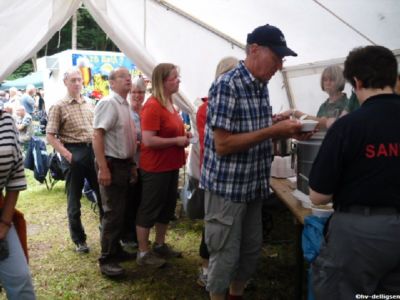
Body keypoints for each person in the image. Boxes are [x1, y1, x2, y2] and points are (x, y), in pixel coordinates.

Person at [200, 24, 311, 300]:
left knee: (249, 251)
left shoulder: (260, 85)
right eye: (276, 58)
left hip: (253, 185)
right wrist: (273, 132)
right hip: (227, 189)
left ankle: (236, 294)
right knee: (224, 253)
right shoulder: (227, 85)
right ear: (254, 50)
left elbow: (249, 126)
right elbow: (223, 144)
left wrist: (279, 122)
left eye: (282, 60)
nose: (279, 65)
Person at [309, 45, 400, 298]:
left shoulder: (347, 127)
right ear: (394, 78)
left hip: (358, 237)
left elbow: (318, 195)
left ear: (356, 82)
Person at [135, 63, 190, 268]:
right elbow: (148, 141)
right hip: (155, 167)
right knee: (149, 208)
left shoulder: (170, 103)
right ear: (162, 82)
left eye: (178, 77)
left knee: (166, 207)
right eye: (174, 78)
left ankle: (159, 244)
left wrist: (184, 136)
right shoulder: (153, 106)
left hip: (170, 165)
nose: (178, 80)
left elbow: (171, 132)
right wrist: (176, 141)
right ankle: (143, 251)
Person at [46, 67, 102, 254]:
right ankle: (79, 240)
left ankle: (107, 233)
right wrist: (67, 154)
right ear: (65, 82)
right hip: (73, 152)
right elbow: (50, 135)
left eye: (79, 79)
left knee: (103, 194)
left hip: (92, 151)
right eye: (73, 80)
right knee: (74, 200)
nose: (77, 83)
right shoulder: (59, 106)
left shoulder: (89, 103)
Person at [195, 56, 239, 288]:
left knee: (225, 227)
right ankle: (205, 268)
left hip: (228, 177)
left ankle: (225, 274)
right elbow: (214, 142)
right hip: (214, 174)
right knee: (212, 225)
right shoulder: (207, 107)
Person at [93, 67, 137, 277]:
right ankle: (106, 259)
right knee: (112, 212)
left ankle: (115, 250)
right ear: (111, 83)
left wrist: (132, 165)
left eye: (128, 76)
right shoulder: (109, 103)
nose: (128, 79)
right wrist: (103, 167)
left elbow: (126, 139)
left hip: (123, 164)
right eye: (122, 77)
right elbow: (97, 135)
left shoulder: (124, 104)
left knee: (119, 211)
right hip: (111, 163)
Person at [0, 103, 36, 299]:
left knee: (20, 282)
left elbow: (15, 175)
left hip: (0, 214)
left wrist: (5, 223)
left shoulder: (6, 121)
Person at [120, 76, 146, 251]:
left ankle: (138, 236)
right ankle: (127, 236)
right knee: (129, 200)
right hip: (130, 162)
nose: (137, 95)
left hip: (146, 163)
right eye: (134, 92)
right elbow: (123, 139)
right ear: (129, 93)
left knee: (140, 201)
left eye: (141, 92)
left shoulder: (146, 111)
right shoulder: (126, 112)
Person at [288, 65, 349, 129]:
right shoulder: (323, 107)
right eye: (325, 80)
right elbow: (317, 126)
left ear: (340, 80)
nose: (328, 83)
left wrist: (294, 112)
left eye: (332, 79)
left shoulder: (347, 105)